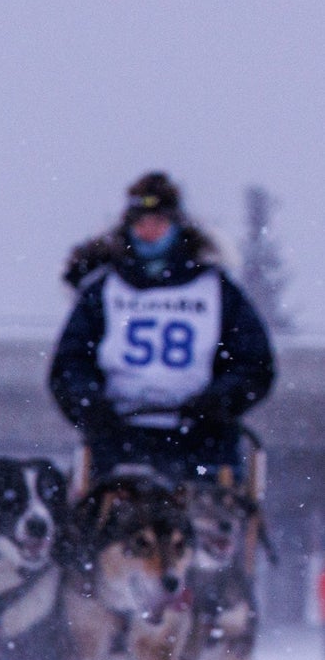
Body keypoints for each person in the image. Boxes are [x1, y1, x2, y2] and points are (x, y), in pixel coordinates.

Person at [49, 172, 275, 482]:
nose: (148, 232)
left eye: (158, 223)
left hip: (201, 438)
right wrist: (91, 406)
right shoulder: (103, 290)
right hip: (119, 436)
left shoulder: (216, 290)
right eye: (140, 223)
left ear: (177, 226)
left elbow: (254, 363)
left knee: (206, 520)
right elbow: (70, 364)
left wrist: (219, 401)